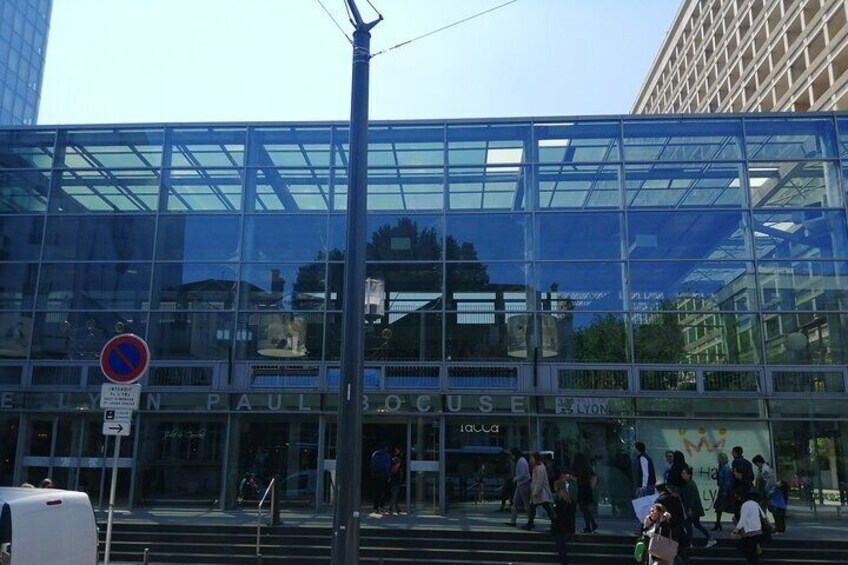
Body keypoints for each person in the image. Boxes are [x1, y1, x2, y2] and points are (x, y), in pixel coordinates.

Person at [680, 466, 716, 548]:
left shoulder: (690, 485)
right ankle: (709, 538)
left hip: (693, 509)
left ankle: (690, 542)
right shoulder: (689, 484)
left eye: (684, 473)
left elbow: (691, 498)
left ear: (689, 475)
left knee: (689, 525)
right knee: (696, 524)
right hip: (694, 509)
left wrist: (689, 509)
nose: (682, 475)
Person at [654, 482, 688, 565]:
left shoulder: (659, 500)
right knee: (678, 553)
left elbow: (657, 517)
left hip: (666, 531)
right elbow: (682, 515)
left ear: (657, 490)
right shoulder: (676, 498)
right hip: (678, 530)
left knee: (667, 555)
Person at [523, 451, 556, 530]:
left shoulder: (540, 468)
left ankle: (554, 524)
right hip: (539, 492)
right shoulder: (537, 467)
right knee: (535, 508)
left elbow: (539, 482)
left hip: (542, 492)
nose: (531, 460)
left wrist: (535, 492)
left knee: (546, 509)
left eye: (532, 458)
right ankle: (530, 524)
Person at [731, 491, 766, 564]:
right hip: (757, 529)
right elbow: (763, 516)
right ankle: (759, 556)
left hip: (749, 530)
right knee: (755, 545)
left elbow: (742, 520)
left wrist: (735, 531)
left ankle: (755, 559)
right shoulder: (755, 504)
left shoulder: (745, 505)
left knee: (748, 549)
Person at [752, 454, 785, 534]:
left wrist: (766, 493)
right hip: (768, 493)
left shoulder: (764, 470)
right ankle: (773, 526)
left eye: (756, 463)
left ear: (758, 462)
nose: (756, 465)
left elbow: (768, 483)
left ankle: (773, 527)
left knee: (767, 510)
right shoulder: (766, 468)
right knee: (768, 510)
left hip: (766, 494)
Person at [569, 452, 598, 533]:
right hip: (587, 487)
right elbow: (592, 475)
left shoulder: (577, 467)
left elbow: (577, 478)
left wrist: (570, 477)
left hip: (582, 488)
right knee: (585, 508)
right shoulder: (586, 466)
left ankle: (589, 526)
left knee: (583, 508)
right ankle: (591, 524)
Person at [551, 479, 576, 565]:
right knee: (563, 543)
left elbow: (556, 512)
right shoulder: (569, 499)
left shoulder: (559, 499)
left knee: (560, 544)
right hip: (567, 524)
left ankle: (563, 560)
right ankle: (564, 560)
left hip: (559, 524)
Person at [505, 447, 531, 527]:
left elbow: (523, 474)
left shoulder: (521, 461)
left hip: (524, 484)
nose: (511, 456)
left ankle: (530, 521)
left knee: (526, 504)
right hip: (521, 484)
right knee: (515, 502)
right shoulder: (521, 461)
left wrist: (515, 478)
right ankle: (513, 521)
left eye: (512, 454)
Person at [731, 446, 754, 520]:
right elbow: (752, 477)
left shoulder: (736, 462)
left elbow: (735, 477)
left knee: (738, 508)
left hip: (739, 488)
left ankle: (740, 527)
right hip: (747, 488)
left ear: (735, 453)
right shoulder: (748, 463)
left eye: (732, 452)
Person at [713, 452, 734, 531]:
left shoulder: (726, 468)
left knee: (722, 506)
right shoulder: (721, 467)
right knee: (719, 507)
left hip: (725, 490)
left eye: (719, 458)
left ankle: (718, 523)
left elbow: (727, 480)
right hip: (721, 489)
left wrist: (725, 490)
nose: (718, 460)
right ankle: (717, 523)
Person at [369, 444, 391, 513]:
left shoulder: (375, 454)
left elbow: (371, 465)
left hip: (375, 475)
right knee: (386, 491)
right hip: (383, 476)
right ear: (386, 447)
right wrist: (389, 475)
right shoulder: (386, 455)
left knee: (376, 491)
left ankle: (375, 507)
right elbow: (387, 466)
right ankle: (381, 506)